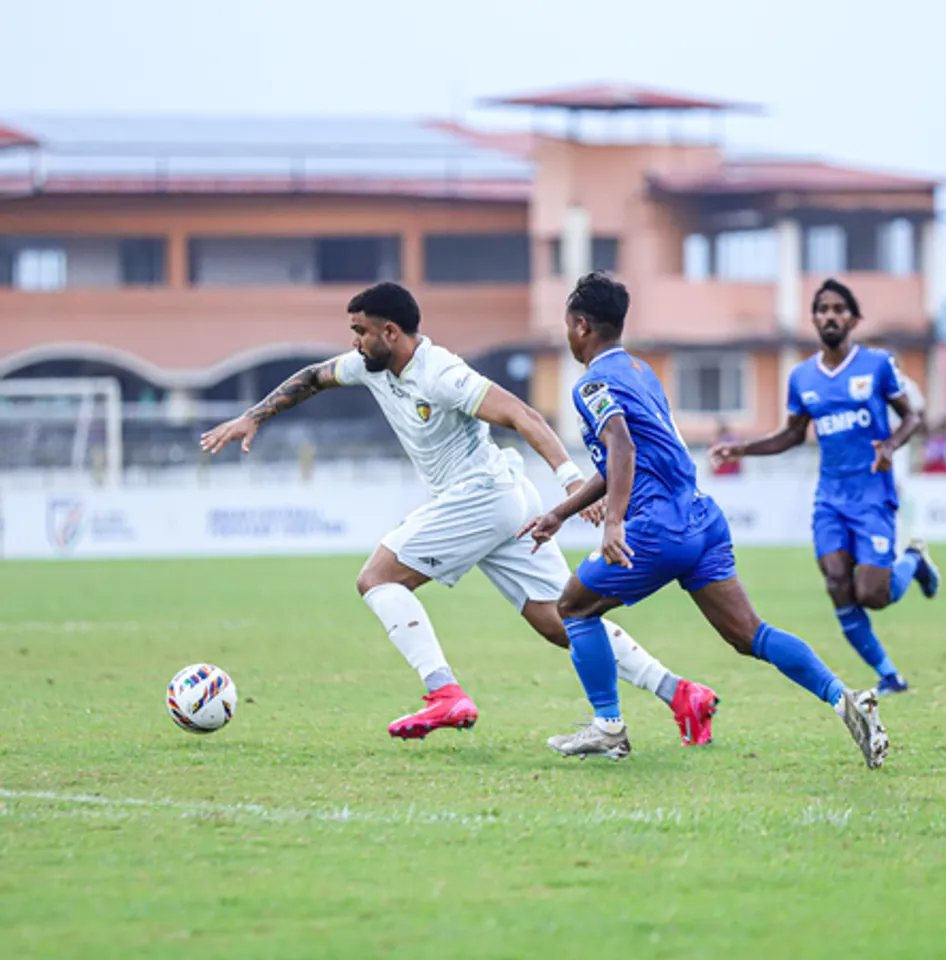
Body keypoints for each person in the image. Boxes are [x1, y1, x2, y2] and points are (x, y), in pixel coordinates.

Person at [200, 281, 718, 745]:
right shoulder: (369, 365)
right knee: (562, 621)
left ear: (392, 331)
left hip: (484, 495)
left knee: (377, 578)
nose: (353, 342)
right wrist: (252, 416)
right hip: (502, 503)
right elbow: (314, 377)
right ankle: (680, 693)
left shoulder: (441, 372)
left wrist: (571, 478)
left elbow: (522, 414)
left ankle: (443, 692)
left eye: (360, 331)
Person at [522, 272, 889, 770]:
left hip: (656, 529)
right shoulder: (640, 371)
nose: (567, 336)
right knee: (748, 634)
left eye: (567, 326)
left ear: (582, 326)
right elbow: (627, 457)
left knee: (574, 607)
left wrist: (614, 524)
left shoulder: (591, 383)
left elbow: (622, 447)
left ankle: (608, 726)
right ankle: (847, 700)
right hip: (700, 519)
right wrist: (561, 513)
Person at [710, 279, 941, 696]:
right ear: (815, 319)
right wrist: (742, 448)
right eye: (822, 309)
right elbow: (793, 435)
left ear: (852, 318)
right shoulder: (802, 377)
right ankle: (890, 676)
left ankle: (914, 559)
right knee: (837, 583)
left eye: (838, 309)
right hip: (830, 498)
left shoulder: (877, 365)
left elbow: (912, 418)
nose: (830, 315)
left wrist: (890, 444)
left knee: (874, 594)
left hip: (873, 494)